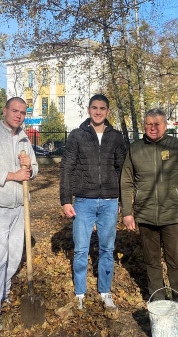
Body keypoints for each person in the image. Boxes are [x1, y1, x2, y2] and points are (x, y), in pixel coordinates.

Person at [120, 108, 178, 318]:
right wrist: (127, 212)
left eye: (157, 124)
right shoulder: (135, 149)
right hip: (145, 216)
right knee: (151, 261)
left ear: (165, 125)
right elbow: (126, 182)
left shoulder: (177, 147)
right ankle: (157, 301)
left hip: (173, 215)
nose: (152, 128)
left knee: (175, 262)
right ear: (144, 126)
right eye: (148, 124)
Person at [0, 97, 38, 333]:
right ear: (5, 111)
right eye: (15, 111)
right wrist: (13, 175)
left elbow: (34, 168)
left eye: (23, 112)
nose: (19, 116)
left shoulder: (24, 138)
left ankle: (4, 293)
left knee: (14, 257)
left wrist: (30, 169)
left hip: (19, 205)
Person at [59, 94, 127, 313]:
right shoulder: (77, 136)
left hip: (109, 201)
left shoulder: (116, 137)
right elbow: (67, 168)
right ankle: (80, 293)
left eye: (102, 108)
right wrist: (65, 200)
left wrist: (122, 201)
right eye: (94, 108)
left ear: (108, 112)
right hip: (84, 202)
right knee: (81, 250)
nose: (98, 112)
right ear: (89, 110)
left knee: (107, 249)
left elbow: (123, 169)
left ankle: (105, 292)